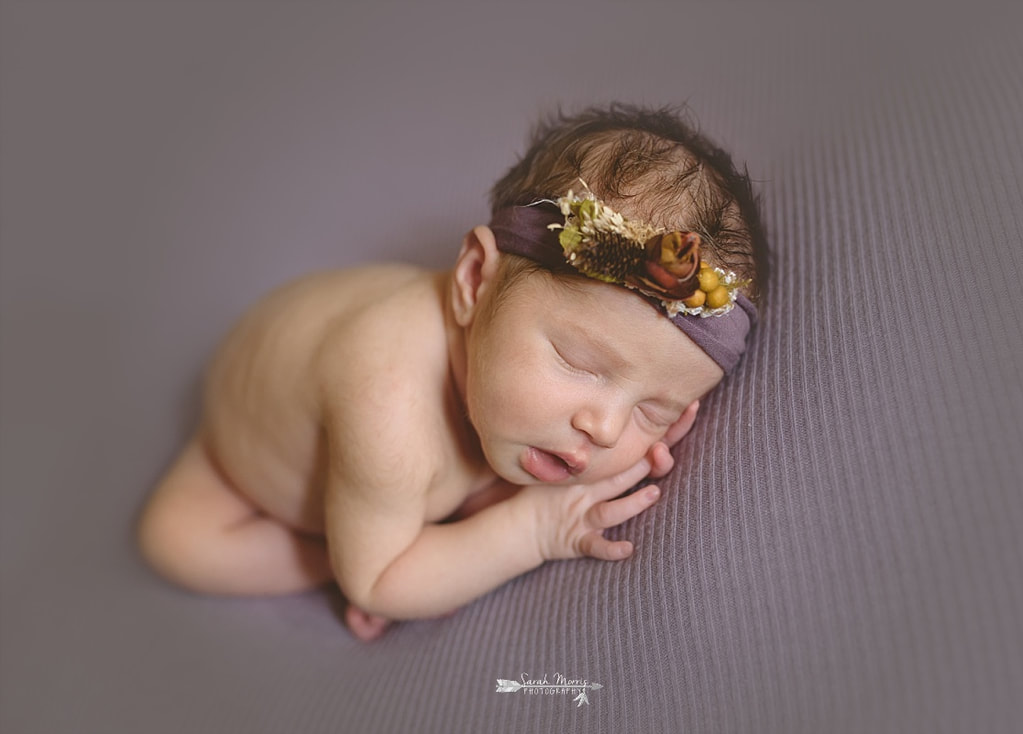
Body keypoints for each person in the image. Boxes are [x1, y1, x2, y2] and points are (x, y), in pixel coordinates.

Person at [136, 103, 769, 642]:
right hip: (241, 442)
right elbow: (377, 584)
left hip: (365, 412)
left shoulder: (519, 388)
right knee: (173, 539)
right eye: (580, 364)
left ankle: (397, 517)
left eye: (654, 410)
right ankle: (337, 542)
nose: (605, 427)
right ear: (473, 280)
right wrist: (533, 529)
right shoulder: (388, 406)